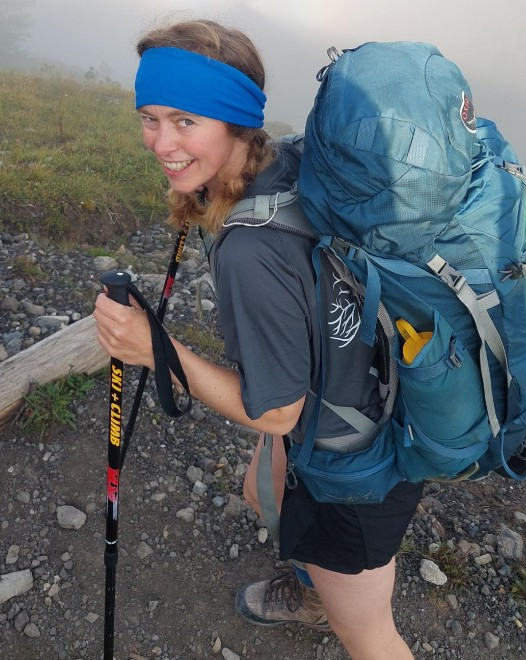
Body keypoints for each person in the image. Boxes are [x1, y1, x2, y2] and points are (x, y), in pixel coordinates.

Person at [94, 19, 422, 659]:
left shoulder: (250, 249)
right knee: (259, 490)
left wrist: (153, 349)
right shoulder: (291, 159)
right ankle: (314, 590)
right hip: (371, 383)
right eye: (150, 118)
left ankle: (330, 605)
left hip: (356, 464)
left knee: (370, 635)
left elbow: (277, 413)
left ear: (236, 120)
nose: (161, 142)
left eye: (186, 121)